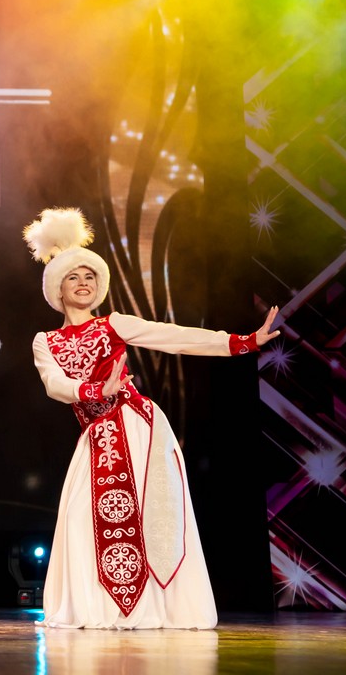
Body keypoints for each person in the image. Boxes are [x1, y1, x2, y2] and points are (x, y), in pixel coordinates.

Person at [24, 207, 279, 629]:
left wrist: (241, 342)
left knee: (154, 520)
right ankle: (97, 609)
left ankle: (158, 609)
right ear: (58, 289)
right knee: (83, 518)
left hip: (136, 426)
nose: (83, 282)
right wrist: (94, 391)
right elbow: (55, 384)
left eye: (90, 276)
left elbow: (172, 336)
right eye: (73, 277)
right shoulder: (45, 341)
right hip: (97, 436)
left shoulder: (114, 324)